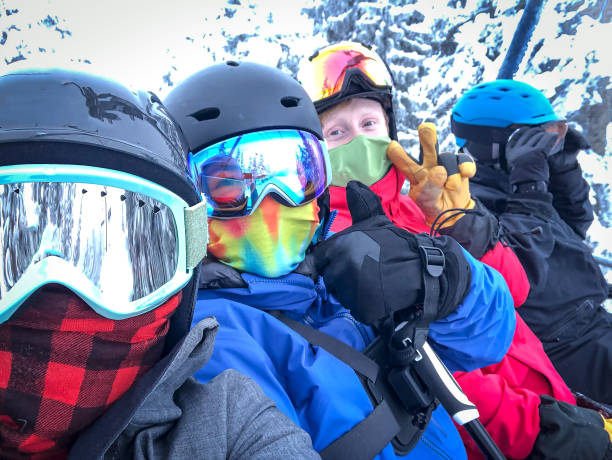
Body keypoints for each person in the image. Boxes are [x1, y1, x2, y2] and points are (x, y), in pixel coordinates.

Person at [164, 60, 517, 460]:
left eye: (296, 174)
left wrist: (446, 278)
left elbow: (488, 342)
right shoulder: (210, 341)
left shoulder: (347, 275)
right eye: (229, 185)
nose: (273, 200)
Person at [299, 41, 612, 459]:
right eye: (337, 132)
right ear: (315, 148)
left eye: (369, 123)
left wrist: (466, 227)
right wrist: (540, 429)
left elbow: (514, 289)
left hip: (548, 390)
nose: (359, 139)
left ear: (389, 129)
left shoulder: (422, 199)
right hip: (517, 434)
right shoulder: (330, 243)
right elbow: (425, 370)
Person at [0, 68, 319, 459]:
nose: (56, 291)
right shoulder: (227, 376)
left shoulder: (228, 421)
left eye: (109, 256)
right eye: (11, 257)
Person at [451, 79, 612, 405]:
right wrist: (529, 185)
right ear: (500, 145)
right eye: (540, 137)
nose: (549, 145)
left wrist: (562, 165)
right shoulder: (464, 208)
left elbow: (574, 226)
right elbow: (520, 270)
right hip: (564, 348)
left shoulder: (517, 179)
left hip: (592, 322)